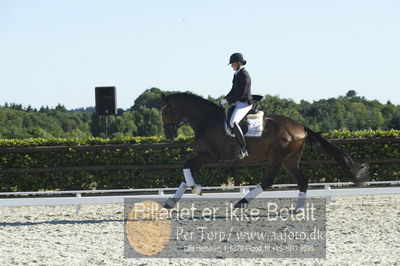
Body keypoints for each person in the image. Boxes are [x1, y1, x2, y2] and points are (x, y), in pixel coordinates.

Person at [220, 53, 253, 159]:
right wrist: (224, 99)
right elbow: (233, 91)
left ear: (238, 63)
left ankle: (243, 149)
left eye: (232, 64)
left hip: (244, 103)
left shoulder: (244, 74)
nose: (231, 66)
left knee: (233, 122)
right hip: (237, 102)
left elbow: (241, 94)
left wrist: (228, 100)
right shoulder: (237, 74)